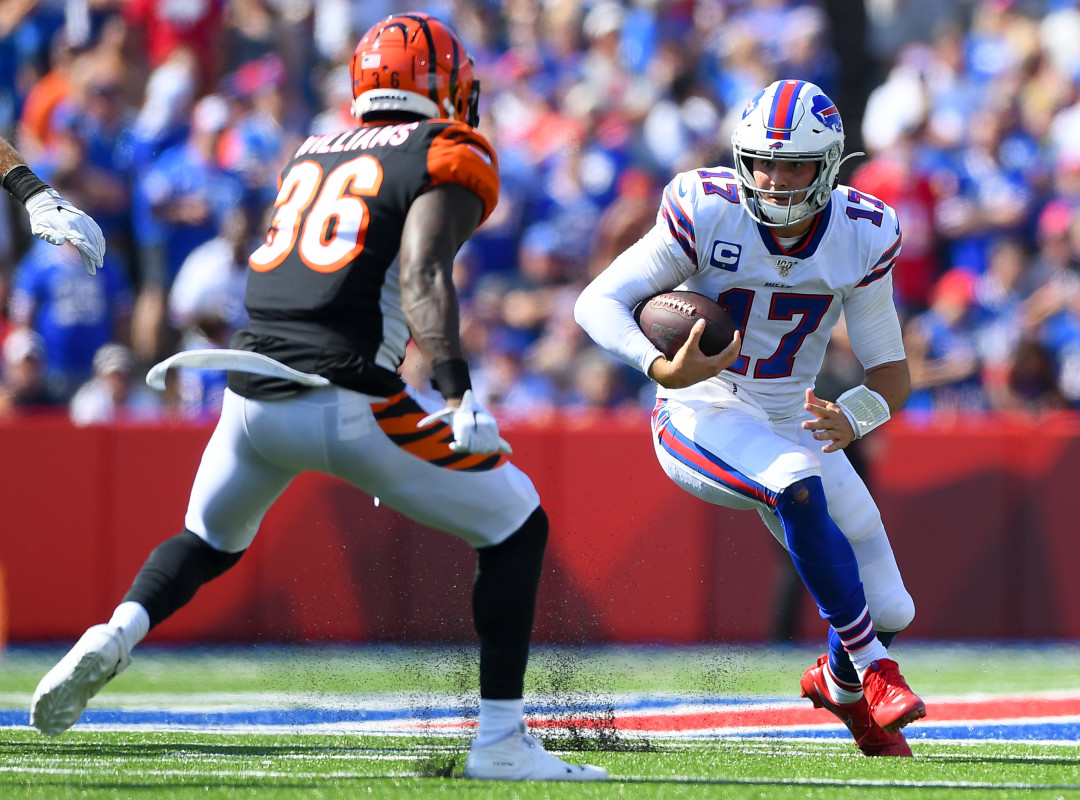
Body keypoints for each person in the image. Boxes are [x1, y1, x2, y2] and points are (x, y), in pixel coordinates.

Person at [30, 14, 606, 784]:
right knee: (516, 522)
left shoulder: (311, 149)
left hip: (249, 390)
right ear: (443, 85)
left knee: (206, 539)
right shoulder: (446, 147)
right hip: (346, 396)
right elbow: (424, 271)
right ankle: (501, 740)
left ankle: (116, 632)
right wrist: (458, 390)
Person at [575, 79, 925, 757]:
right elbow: (597, 301)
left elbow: (891, 373)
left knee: (892, 606)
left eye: (794, 165)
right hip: (699, 409)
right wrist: (658, 367)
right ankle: (874, 670)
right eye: (762, 161)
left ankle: (841, 687)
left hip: (789, 415)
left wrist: (853, 417)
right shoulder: (708, 209)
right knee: (795, 477)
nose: (773, 179)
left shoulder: (861, 233)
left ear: (829, 165)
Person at [1, 135, 106, 276]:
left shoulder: (88, 171)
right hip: (47, 254)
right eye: (69, 141)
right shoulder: (43, 169)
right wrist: (64, 167)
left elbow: (116, 197)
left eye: (76, 143)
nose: (73, 149)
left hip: (82, 254)